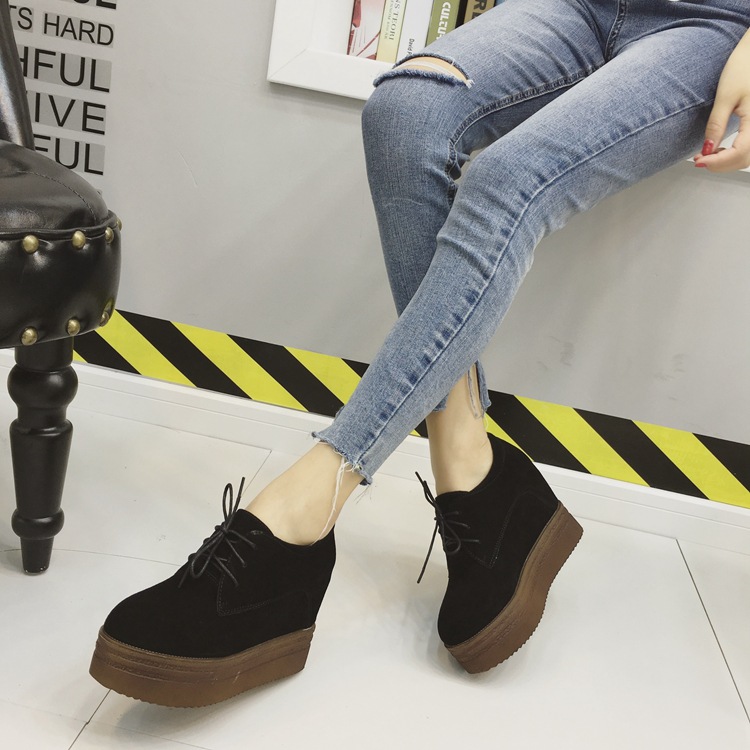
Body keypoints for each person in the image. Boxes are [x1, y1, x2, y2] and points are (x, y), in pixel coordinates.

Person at [89, 0, 750, 707]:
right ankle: (470, 463)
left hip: (710, 24)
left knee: (509, 178)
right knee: (403, 112)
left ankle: (308, 502)